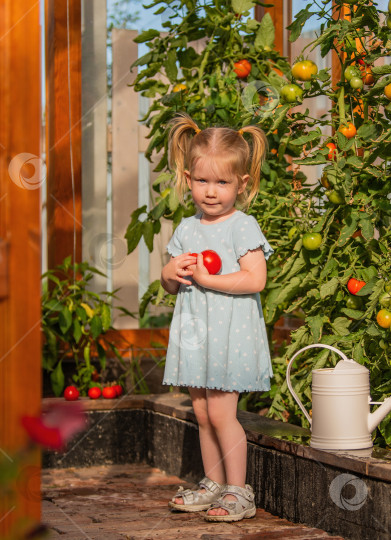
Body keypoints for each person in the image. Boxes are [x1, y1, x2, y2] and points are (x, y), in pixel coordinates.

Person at [160, 113, 273, 522]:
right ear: (188, 178)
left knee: (223, 413)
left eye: (222, 183)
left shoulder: (241, 226)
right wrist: (168, 274)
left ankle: (238, 491)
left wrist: (208, 279)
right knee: (203, 412)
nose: (211, 192)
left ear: (242, 184)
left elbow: (254, 279)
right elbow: (172, 283)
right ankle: (213, 484)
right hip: (196, 335)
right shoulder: (187, 228)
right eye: (203, 181)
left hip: (230, 335)